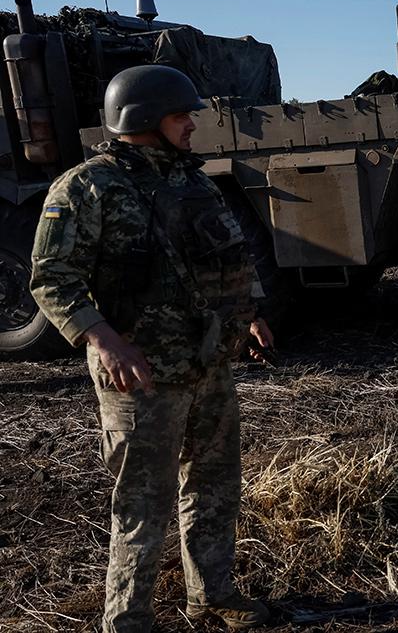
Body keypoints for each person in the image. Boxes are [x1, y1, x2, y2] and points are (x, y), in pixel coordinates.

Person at [29, 65, 273, 631]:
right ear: (144, 119)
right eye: (181, 115)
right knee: (143, 502)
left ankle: (211, 594)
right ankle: (129, 618)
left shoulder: (195, 181)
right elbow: (51, 277)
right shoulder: (87, 187)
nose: (191, 125)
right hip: (139, 376)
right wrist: (104, 340)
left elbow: (231, 259)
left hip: (207, 364)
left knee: (214, 486)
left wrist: (249, 316)